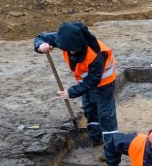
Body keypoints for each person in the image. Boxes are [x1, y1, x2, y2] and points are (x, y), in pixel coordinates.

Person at [33, 21, 118, 151]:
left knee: (105, 114)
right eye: (68, 50)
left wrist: (71, 92)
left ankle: (112, 149)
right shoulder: (63, 38)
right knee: (89, 109)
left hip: (104, 83)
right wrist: (41, 45)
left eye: (73, 49)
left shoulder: (96, 54)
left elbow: (93, 80)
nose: (71, 52)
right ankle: (95, 139)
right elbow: (40, 37)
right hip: (85, 83)